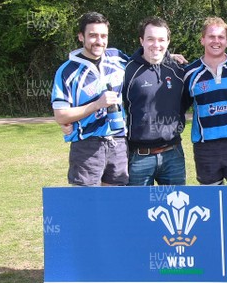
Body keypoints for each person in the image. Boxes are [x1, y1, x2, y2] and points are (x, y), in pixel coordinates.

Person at [51, 12, 129, 186]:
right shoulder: (67, 71)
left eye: (103, 36)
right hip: (86, 145)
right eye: (93, 35)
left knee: (115, 202)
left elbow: (143, 65)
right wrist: (97, 105)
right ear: (81, 36)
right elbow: (61, 116)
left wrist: (169, 58)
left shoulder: (117, 58)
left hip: (118, 142)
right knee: (86, 204)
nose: (99, 41)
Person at [123, 16, 189, 186]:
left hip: (173, 154)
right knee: (138, 210)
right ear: (141, 41)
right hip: (139, 156)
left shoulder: (178, 70)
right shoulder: (126, 71)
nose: (156, 44)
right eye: (150, 39)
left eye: (161, 40)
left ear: (168, 41)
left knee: (176, 210)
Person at [184, 17, 227, 185]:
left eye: (221, 37)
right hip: (205, 148)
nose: (216, 41)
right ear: (202, 40)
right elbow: (179, 107)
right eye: (211, 36)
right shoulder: (189, 73)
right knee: (212, 204)